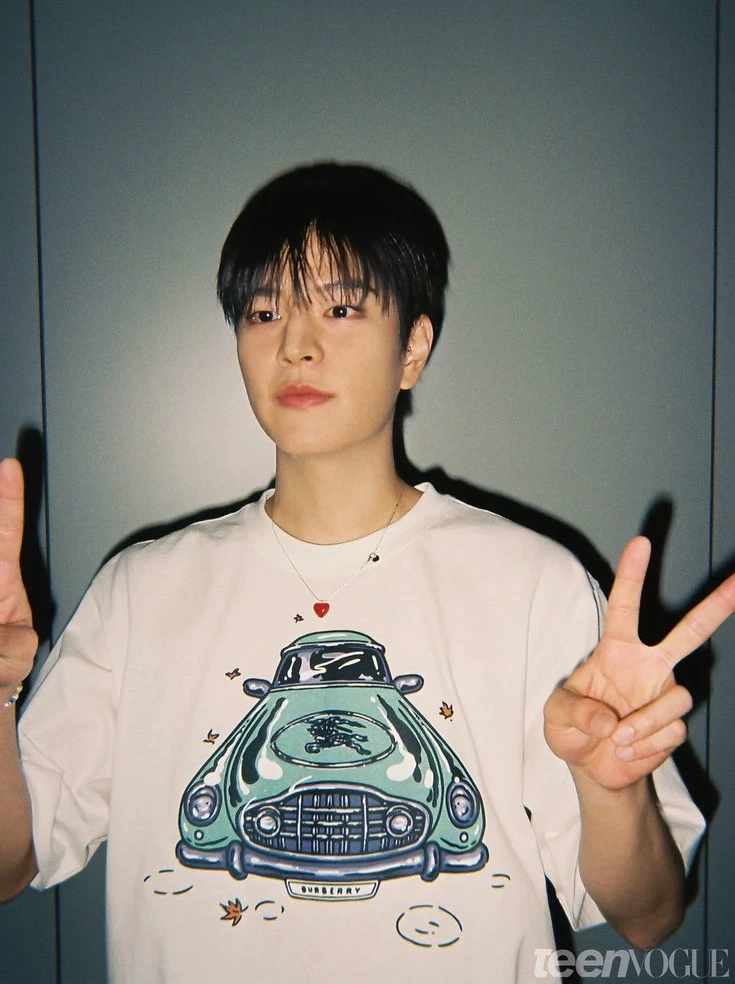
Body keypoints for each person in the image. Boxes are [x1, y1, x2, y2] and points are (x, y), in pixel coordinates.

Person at [0, 162, 731, 983]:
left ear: (411, 347)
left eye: (341, 308)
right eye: (263, 312)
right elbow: (9, 864)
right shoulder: (141, 591)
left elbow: (648, 918)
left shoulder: (531, 582)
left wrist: (610, 785)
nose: (295, 345)